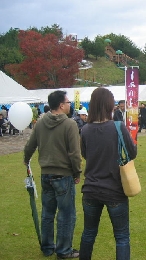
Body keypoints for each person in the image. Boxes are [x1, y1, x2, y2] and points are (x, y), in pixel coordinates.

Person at [79, 88, 137, 260]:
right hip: (115, 190)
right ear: (110, 105)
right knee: (121, 237)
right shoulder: (118, 127)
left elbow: (85, 154)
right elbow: (132, 153)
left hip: (90, 189)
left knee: (88, 233)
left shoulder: (86, 130)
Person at [24, 90, 81, 259]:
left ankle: (47, 246)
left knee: (47, 213)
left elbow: (29, 145)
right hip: (63, 175)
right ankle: (63, 250)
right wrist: (77, 172)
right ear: (61, 105)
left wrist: (26, 160)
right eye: (68, 102)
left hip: (46, 174)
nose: (69, 105)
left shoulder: (41, 122)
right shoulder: (70, 124)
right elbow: (74, 153)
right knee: (66, 214)